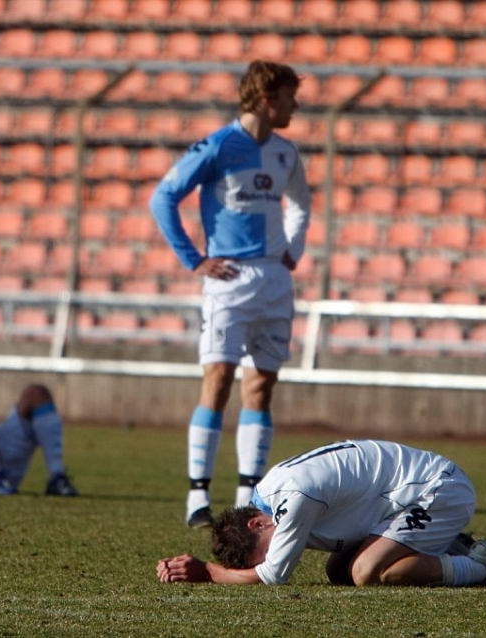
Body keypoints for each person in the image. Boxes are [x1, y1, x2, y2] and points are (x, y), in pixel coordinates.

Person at [149, 60, 312, 528]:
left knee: (261, 386)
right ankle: (197, 498)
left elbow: (301, 203)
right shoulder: (219, 146)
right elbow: (164, 196)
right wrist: (194, 258)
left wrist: (292, 250)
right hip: (229, 278)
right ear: (266, 99)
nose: (295, 106)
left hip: (275, 281)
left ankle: (247, 502)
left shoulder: (285, 152)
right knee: (218, 379)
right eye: (288, 96)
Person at [156, 439, 486, 588]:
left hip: (437, 489)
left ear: (257, 522)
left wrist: (207, 572)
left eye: (271, 544)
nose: (289, 548)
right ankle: (447, 544)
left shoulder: (292, 497)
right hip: (401, 500)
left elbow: (273, 575)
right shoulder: (268, 495)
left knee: (368, 573)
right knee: (337, 571)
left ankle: (484, 567)